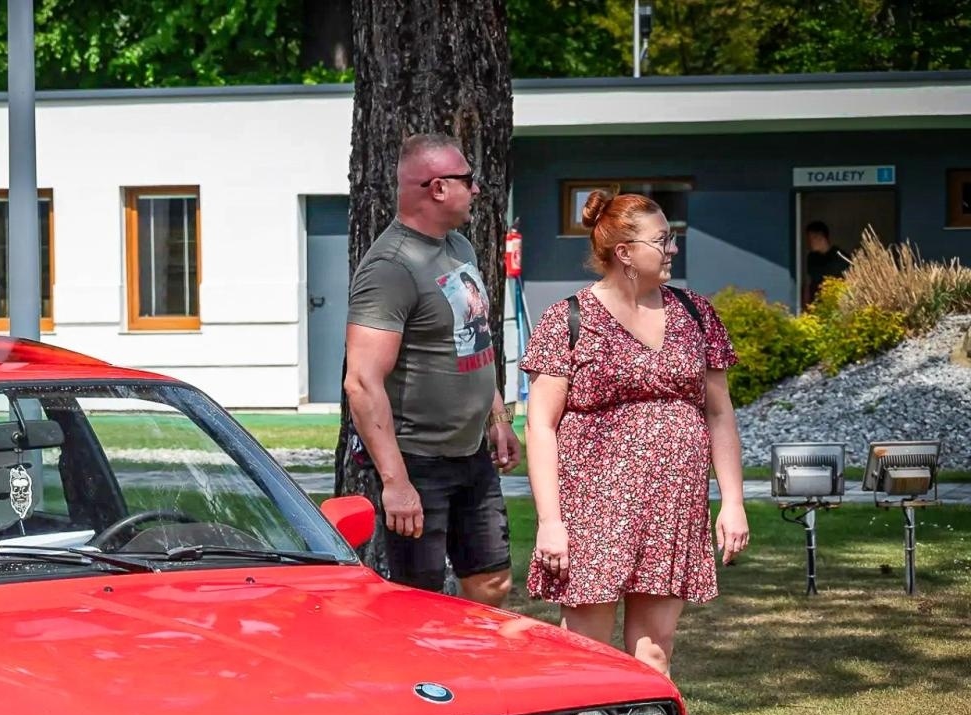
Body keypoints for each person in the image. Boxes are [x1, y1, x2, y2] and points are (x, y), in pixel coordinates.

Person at [521, 190, 748, 677]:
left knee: (656, 649)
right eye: (663, 239)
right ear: (624, 252)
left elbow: (720, 414)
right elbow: (540, 425)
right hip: (595, 508)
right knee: (585, 652)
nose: (673, 248)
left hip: (673, 506)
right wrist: (549, 521)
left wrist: (732, 501)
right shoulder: (568, 319)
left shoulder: (695, 313)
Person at [343, 132, 520, 606]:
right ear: (438, 188)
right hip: (418, 461)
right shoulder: (390, 267)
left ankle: (470, 673)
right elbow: (362, 382)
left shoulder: (458, 247)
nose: (477, 189)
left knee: (492, 583)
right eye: (468, 180)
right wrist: (396, 482)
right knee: (417, 601)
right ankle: (421, 680)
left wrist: (496, 416)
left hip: (471, 454)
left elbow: (474, 338)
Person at [803, 221, 846, 308]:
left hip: (834, 306)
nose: (808, 243)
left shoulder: (840, 258)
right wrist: (806, 305)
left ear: (820, 237)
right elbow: (808, 283)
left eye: (810, 239)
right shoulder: (812, 258)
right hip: (815, 306)